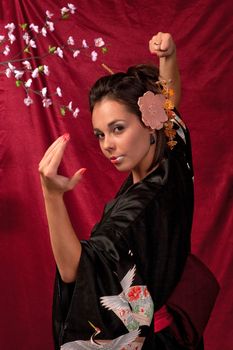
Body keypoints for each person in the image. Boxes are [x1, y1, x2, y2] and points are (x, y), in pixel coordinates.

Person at [39, 33, 218, 350]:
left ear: (148, 122)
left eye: (118, 128)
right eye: (100, 134)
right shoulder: (170, 156)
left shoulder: (135, 212)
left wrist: (52, 196)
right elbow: (169, 105)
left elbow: (74, 270)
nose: (107, 144)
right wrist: (169, 57)